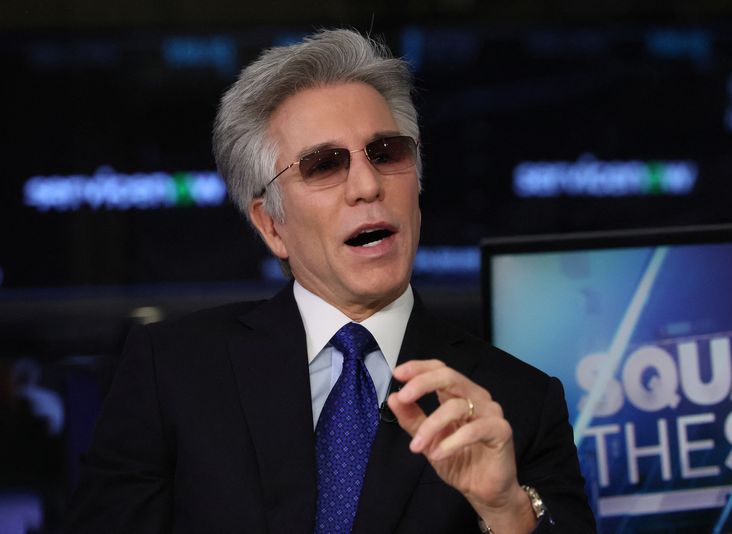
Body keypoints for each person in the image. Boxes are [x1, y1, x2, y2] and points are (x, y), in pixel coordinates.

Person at [66, 29, 595, 533]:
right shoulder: (170, 373)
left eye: (386, 153)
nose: (367, 185)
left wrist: (507, 512)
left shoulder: (519, 402)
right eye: (323, 166)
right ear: (271, 225)